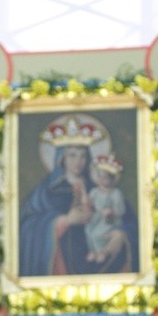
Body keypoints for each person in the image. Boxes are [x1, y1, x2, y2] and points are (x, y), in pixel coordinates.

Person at [18, 114, 138, 277]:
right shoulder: (47, 191)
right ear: (62, 158)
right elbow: (27, 227)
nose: (78, 161)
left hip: (104, 259)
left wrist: (121, 234)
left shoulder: (101, 186)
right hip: (62, 265)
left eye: (83, 156)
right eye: (72, 155)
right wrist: (63, 222)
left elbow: (130, 220)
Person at [84, 154, 127, 264]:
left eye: (106, 178)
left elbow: (121, 210)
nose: (102, 180)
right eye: (100, 177)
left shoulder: (115, 193)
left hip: (110, 220)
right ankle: (93, 250)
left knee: (97, 234)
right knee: (88, 230)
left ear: (112, 179)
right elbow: (89, 202)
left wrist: (111, 211)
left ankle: (101, 252)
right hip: (97, 217)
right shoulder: (95, 191)